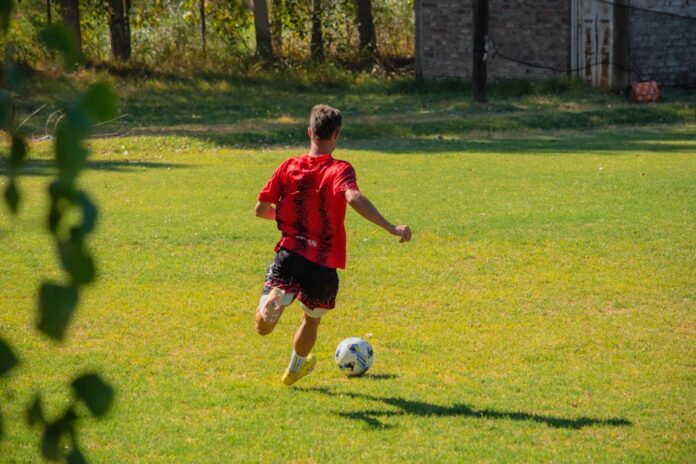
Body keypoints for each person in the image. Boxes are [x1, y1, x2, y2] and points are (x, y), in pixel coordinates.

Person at [254, 104, 412, 385]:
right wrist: (390, 227)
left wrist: (290, 219)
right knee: (311, 319)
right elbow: (352, 197)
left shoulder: (289, 166)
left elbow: (261, 209)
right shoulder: (340, 169)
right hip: (323, 263)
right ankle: (294, 369)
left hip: (290, 253)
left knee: (263, 329)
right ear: (336, 135)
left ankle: (273, 302)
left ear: (309, 132)